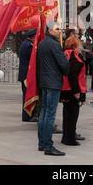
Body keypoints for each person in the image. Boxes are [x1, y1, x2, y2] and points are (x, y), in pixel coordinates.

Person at [37, 21, 69, 156]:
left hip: (44, 82)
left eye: (59, 29)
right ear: (50, 30)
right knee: (50, 114)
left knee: (44, 113)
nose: (59, 31)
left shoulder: (42, 43)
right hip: (53, 83)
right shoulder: (54, 45)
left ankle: (42, 143)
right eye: (57, 29)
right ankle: (48, 146)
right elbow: (64, 65)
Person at [60, 36, 87, 145]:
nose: (81, 46)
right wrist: (77, 92)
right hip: (72, 89)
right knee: (72, 114)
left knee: (67, 114)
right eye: (79, 44)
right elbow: (73, 75)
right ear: (75, 45)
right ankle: (69, 139)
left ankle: (66, 137)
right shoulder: (73, 55)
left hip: (65, 88)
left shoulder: (65, 53)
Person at [18, 29, 37, 122]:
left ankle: (28, 115)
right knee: (27, 95)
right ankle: (26, 116)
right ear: (33, 37)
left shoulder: (25, 44)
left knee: (26, 94)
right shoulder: (28, 46)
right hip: (26, 75)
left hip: (24, 74)